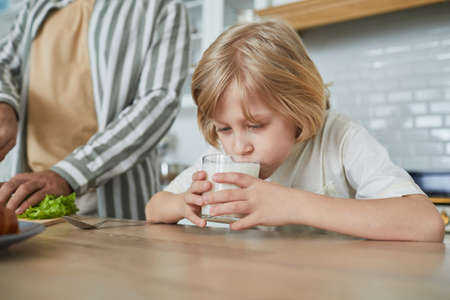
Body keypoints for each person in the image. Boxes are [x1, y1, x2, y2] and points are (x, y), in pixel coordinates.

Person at [145, 19, 445, 242]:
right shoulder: (223, 158)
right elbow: (154, 209)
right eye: (224, 128)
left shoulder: (340, 138)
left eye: (255, 125)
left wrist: (294, 205)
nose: (238, 147)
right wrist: (184, 203)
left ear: (297, 107)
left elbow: (426, 223)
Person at [0, 0, 190, 219]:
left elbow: (159, 101)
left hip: (111, 205)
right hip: (30, 194)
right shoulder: (37, 6)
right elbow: (3, 63)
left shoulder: (162, 7)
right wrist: (5, 104)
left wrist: (67, 174)